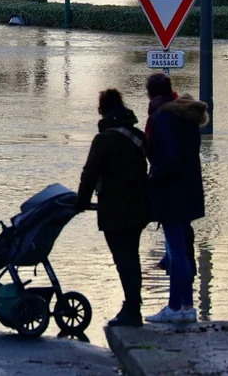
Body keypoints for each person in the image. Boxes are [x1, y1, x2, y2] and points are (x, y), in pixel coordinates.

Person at [75, 88, 150, 327]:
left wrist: (81, 203)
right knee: (132, 257)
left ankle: (132, 309)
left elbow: (90, 173)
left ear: (101, 110)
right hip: (139, 206)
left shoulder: (104, 139)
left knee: (123, 259)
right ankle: (133, 306)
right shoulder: (137, 135)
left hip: (115, 208)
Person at [142, 73, 208, 324]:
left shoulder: (164, 118)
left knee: (176, 251)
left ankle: (174, 307)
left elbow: (168, 159)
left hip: (172, 194)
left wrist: (150, 181)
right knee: (180, 250)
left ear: (151, 94)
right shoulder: (185, 115)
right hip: (189, 191)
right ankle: (187, 306)